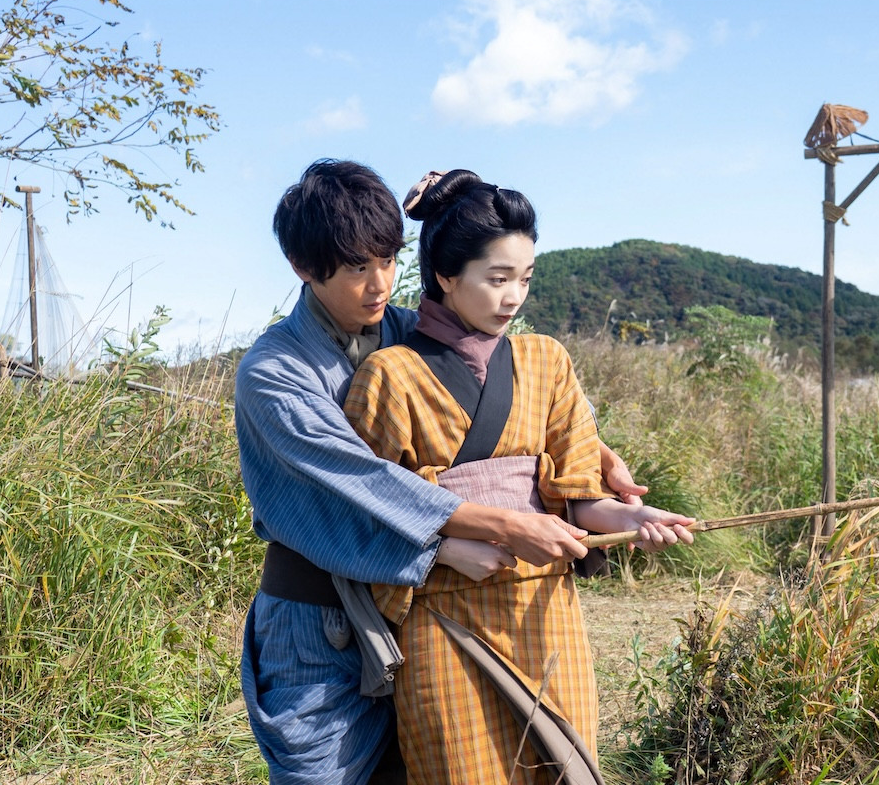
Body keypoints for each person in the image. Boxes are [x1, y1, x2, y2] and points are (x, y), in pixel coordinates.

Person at [235, 159, 650, 785]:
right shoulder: (275, 373)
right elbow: (367, 483)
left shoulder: (403, 333)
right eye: (356, 268)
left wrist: (597, 459)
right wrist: (503, 529)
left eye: (388, 260)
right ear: (302, 267)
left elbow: (504, 390)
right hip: (321, 615)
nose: (379, 284)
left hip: (418, 602)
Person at [343, 169, 695, 784]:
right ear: (446, 277)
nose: (513, 298)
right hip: (442, 617)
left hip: (544, 608)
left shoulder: (547, 361)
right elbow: (364, 517)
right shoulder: (389, 376)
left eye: (525, 279)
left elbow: (579, 498)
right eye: (497, 279)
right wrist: (447, 550)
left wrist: (634, 516)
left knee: (566, 771)